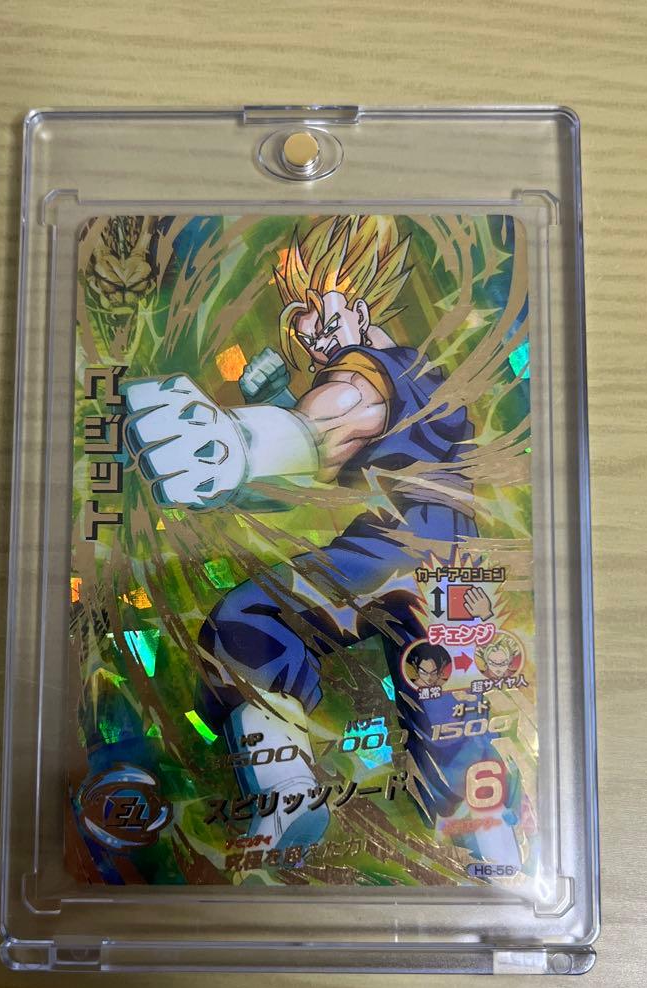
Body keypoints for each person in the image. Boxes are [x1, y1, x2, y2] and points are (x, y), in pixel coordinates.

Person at [124, 216, 513, 857]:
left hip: (395, 552)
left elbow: (345, 415)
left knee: (249, 621)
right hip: (451, 574)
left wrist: (240, 442)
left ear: (359, 304)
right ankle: (494, 846)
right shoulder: (412, 377)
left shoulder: (378, 371)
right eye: (297, 316)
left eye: (316, 305)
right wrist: (273, 417)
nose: (306, 328)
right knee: (448, 719)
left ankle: (286, 789)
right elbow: (320, 452)